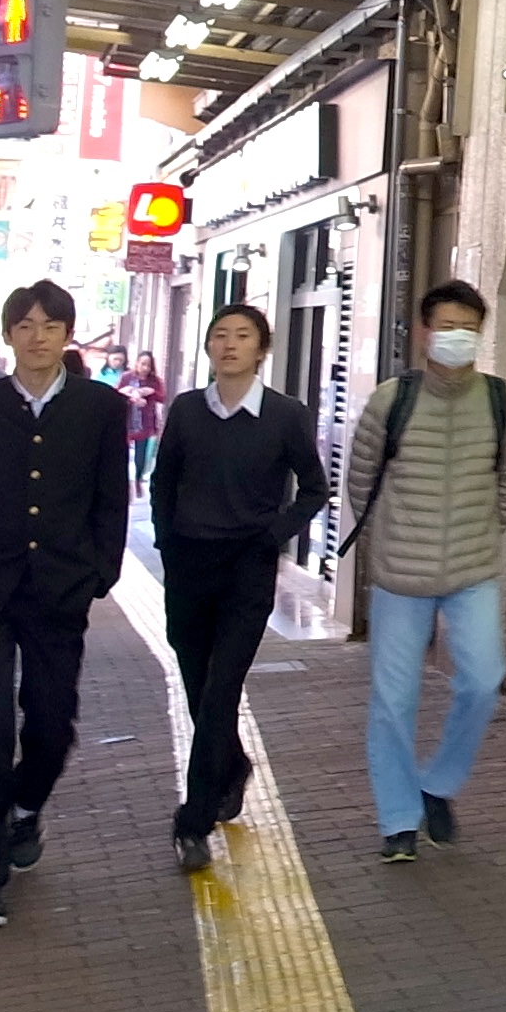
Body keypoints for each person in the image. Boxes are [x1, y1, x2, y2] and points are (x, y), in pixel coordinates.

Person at [0, 280, 130, 931]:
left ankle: (26, 806)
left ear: (68, 334)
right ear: (10, 334)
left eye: (50, 325)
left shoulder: (101, 408)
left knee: (50, 725)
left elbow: (110, 499)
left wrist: (99, 572)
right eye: (24, 325)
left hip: (60, 591)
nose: (37, 335)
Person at [344, 280, 506, 862]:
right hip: (400, 575)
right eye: (446, 326)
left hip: (472, 570)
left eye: (468, 328)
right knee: (393, 700)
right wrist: (388, 542)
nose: (456, 338)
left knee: (481, 680)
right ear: (425, 331)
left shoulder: (501, 401)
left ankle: (438, 783)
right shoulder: (390, 400)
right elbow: (360, 481)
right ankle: (399, 819)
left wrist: (482, 533)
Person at [149, 306, 327, 871]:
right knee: (199, 686)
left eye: (243, 336)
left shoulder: (284, 416)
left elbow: (314, 489)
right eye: (220, 336)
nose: (229, 345)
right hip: (189, 565)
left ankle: (194, 820)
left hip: (247, 571)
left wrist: (271, 536)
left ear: (261, 350)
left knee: (222, 689)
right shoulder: (185, 411)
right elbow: (163, 480)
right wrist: (167, 541)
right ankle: (232, 765)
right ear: (208, 346)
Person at [119, 350, 168, 490]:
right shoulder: (127, 377)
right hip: (127, 421)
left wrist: (150, 392)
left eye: (149, 365)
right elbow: (116, 394)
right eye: (143, 364)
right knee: (121, 454)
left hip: (145, 423)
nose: (145, 368)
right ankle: (125, 484)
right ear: (137, 363)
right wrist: (129, 395)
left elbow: (162, 398)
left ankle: (138, 479)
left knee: (140, 458)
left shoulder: (154, 381)